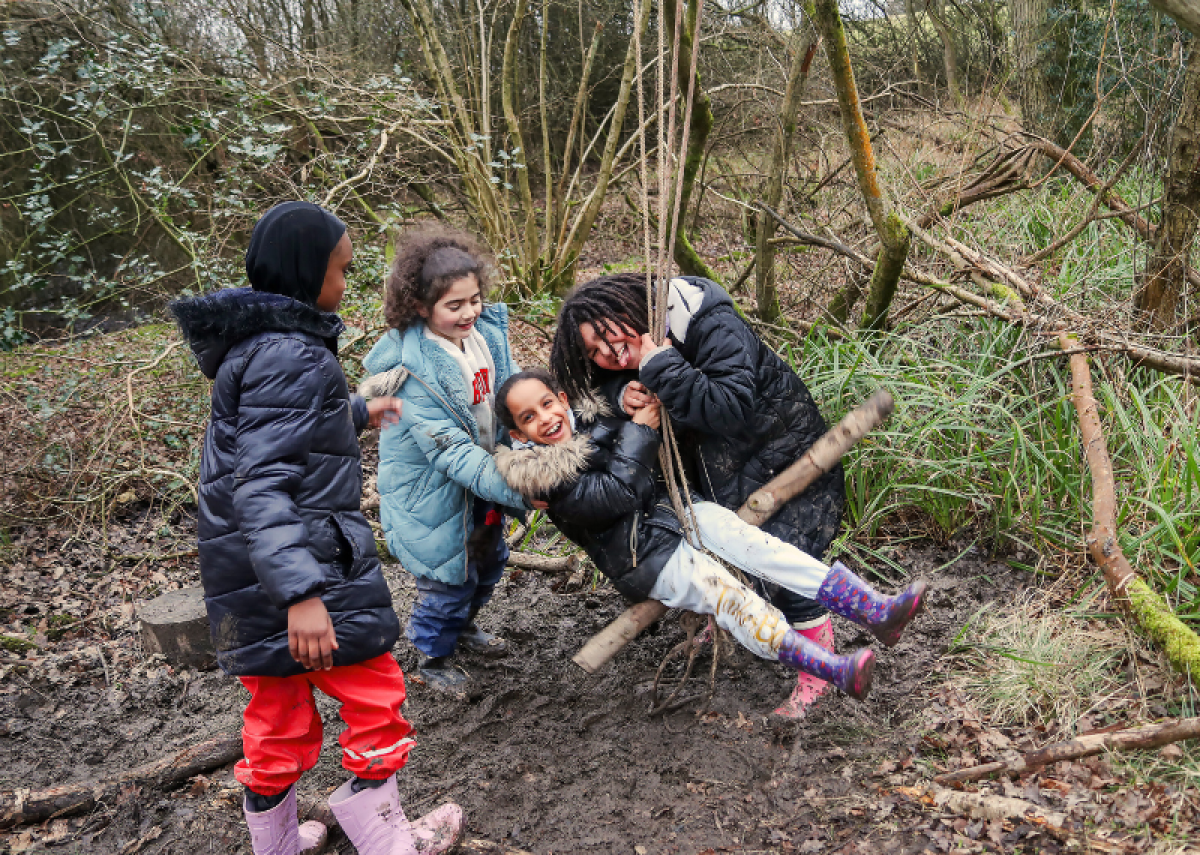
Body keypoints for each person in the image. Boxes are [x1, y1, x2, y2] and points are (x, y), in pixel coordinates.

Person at [170, 202, 463, 855]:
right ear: (309, 272)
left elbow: (274, 437)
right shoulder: (292, 354)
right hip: (306, 568)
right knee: (374, 691)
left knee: (275, 714)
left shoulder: (258, 346)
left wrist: (354, 409)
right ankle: (389, 840)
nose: (347, 282)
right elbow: (264, 481)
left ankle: (275, 844)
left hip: (245, 574)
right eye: (342, 269)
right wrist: (301, 594)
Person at [492, 370, 926, 705]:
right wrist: (641, 431)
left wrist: (630, 397)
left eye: (547, 404)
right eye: (529, 418)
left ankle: (875, 611)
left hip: (679, 512)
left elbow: (611, 404)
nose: (545, 419)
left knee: (765, 549)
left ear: (562, 400)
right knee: (732, 599)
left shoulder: (593, 419)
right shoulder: (544, 480)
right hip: (646, 556)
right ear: (517, 435)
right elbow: (615, 494)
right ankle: (834, 670)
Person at [550, 272, 849, 717]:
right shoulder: (642, 349)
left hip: (777, 454)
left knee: (784, 559)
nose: (609, 351)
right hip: (718, 473)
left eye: (609, 333)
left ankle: (819, 674)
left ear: (633, 307)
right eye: (593, 350)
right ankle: (745, 625)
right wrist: (624, 390)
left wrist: (659, 369)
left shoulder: (706, 321)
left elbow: (728, 406)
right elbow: (601, 391)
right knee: (727, 552)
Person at [360, 225, 528, 694]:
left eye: (474, 299)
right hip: (433, 494)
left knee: (489, 560)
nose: (469, 312)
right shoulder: (413, 369)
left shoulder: (486, 336)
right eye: (454, 306)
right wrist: (521, 486)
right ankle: (432, 657)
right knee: (447, 578)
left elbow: (509, 396)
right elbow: (450, 450)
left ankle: (464, 628)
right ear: (420, 307)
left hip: (482, 481)